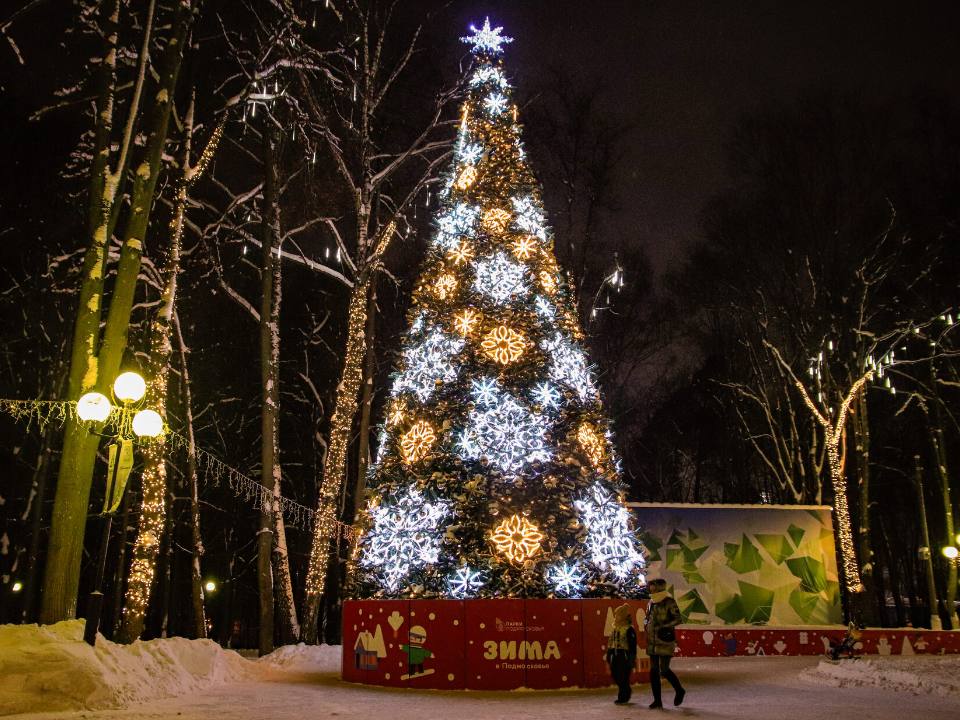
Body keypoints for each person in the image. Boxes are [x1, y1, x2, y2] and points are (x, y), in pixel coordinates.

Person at [644, 578, 685, 708]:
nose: (652, 592)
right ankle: (657, 700)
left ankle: (679, 690)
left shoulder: (669, 602)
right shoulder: (651, 603)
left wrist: (664, 626)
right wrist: (647, 625)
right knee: (654, 671)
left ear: (660, 588)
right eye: (651, 589)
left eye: (655, 589)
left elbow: (678, 619)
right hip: (652, 640)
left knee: (665, 670)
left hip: (664, 639)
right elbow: (647, 618)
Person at [605, 603, 637, 704]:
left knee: (623, 675)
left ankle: (623, 695)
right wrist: (609, 652)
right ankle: (625, 690)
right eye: (615, 615)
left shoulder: (628, 629)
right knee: (615, 674)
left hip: (624, 654)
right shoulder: (615, 627)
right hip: (615, 653)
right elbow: (611, 641)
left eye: (618, 615)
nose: (616, 617)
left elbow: (632, 644)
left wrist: (632, 657)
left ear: (623, 616)